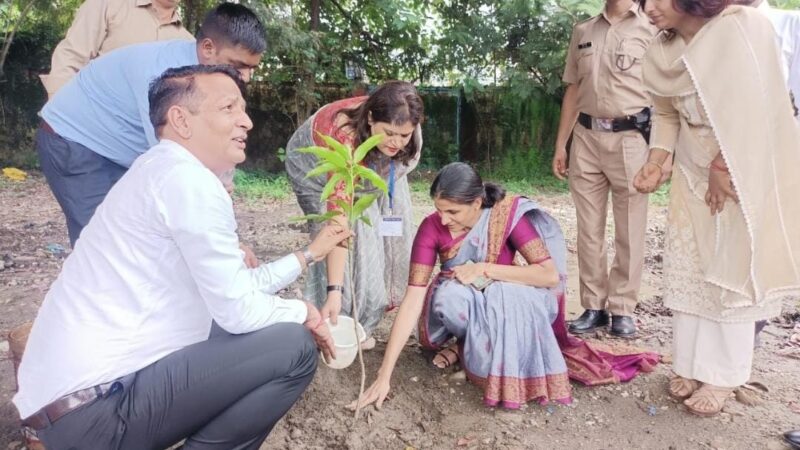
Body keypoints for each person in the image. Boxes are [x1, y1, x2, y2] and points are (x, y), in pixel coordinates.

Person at [14, 65, 351, 449]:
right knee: (293, 347)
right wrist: (304, 312)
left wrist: (309, 254)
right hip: (93, 415)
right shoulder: (187, 181)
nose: (247, 121)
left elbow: (236, 291)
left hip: (67, 408)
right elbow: (238, 311)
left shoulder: (159, 169)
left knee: (252, 327)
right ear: (180, 120)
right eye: (229, 108)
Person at [351, 163, 659, 410]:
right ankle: (467, 345)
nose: (443, 220)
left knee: (502, 291)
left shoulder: (505, 215)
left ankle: (468, 353)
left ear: (477, 202)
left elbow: (548, 276)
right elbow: (415, 296)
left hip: (506, 306)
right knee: (446, 296)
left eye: (453, 212)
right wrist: (383, 375)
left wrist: (485, 269)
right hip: (467, 309)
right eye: (439, 210)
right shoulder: (432, 227)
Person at [634, 0, 800, 417]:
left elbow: (760, 106)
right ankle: (691, 365)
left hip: (743, 170)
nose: (647, 8)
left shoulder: (743, 28)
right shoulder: (663, 50)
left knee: (730, 272)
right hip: (691, 174)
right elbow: (667, 113)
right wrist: (657, 161)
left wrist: (723, 166)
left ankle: (724, 377)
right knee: (692, 268)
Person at [37, 2, 265, 247]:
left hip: (121, 150)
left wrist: (225, 228)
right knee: (105, 244)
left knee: (144, 238)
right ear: (207, 48)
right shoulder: (166, 75)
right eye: (239, 66)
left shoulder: (210, 75)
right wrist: (224, 241)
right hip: (74, 141)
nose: (246, 77)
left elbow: (218, 147)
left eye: (252, 68)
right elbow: (174, 161)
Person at [285, 81, 424, 347]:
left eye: (404, 135)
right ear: (371, 118)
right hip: (312, 168)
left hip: (363, 161)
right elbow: (337, 225)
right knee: (343, 233)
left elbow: (398, 157)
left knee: (375, 228)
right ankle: (329, 318)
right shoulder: (345, 140)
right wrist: (334, 291)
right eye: (390, 133)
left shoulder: (405, 127)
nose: (397, 142)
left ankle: (366, 316)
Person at [552, 0, 659, 338]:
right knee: (588, 229)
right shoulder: (583, 30)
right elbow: (573, 89)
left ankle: (623, 308)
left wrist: (662, 153)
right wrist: (561, 144)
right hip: (586, 138)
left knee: (630, 228)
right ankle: (593, 306)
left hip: (631, 139)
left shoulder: (653, 28)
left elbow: (666, 94)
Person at [40, 0, 193, 99]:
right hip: (85, 130)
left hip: (140, 141)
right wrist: (58, 110)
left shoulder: (188, 43)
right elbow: (70, 57)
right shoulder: (107, 5)